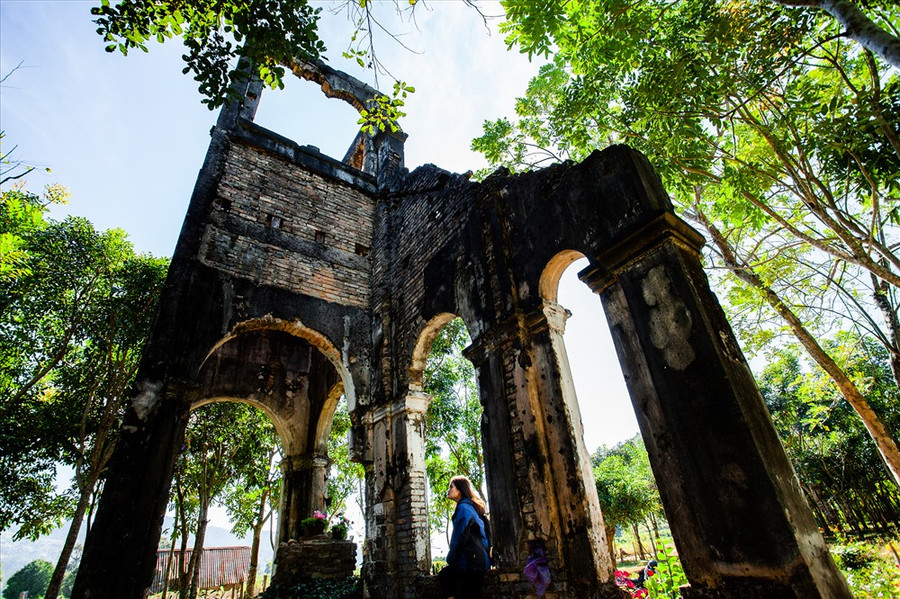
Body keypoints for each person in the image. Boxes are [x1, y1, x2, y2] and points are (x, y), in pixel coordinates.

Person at [438, 475, 490, 599]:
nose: (448, 490)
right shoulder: (471, 507)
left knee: (444, 575)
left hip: (472, 563)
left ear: (460, 490)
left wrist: (450, 560)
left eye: (451, 487)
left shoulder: (463, 508)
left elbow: (459, 538)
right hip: (480, 560)